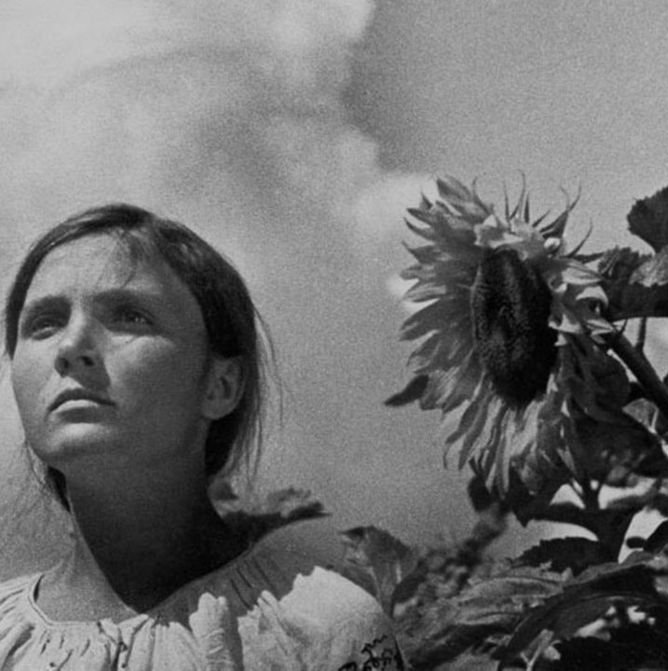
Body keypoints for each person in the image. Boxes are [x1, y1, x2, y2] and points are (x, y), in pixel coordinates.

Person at [0, 204, 404, 669]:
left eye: (130, 316)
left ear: (221, 385)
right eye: (44, 323)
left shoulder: (318, 631)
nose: (71, 347)